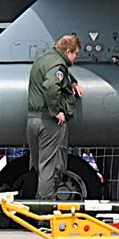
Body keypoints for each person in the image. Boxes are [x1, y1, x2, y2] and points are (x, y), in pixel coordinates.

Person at [25, 34, 83, 200]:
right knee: (49, 170)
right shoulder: (58, 64)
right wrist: (56, 111)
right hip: (48, 122)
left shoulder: (43, 59)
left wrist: (71, 81)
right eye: (75, 54)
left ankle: (37, 208)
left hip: (33, 120)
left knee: (39, 168)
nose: (75, 58)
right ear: (68, 51)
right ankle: (46, 214)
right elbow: (51, 85)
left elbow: (52, 74)